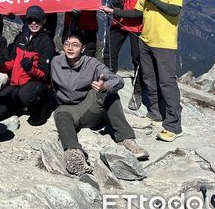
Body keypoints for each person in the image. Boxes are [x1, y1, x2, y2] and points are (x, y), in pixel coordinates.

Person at [101, 0, 183, 142]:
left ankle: (173, 125)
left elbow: (174, 11)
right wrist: (113, 11)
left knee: (167, 82)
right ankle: (155, 112)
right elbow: (136, 13)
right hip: (145, 39)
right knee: (150, 78)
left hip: (164, 43)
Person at [51, 31, 149, 176]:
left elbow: (118, 80)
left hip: (88, 106)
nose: (70, 48)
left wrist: (105, 86)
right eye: (67, 44)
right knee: (60, 115)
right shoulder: (56, 62)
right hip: (68, 108)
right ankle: (74, 152)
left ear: (82, 49)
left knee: (110, 93)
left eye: (75, 45)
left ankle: (126, 139)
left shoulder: (92, 64)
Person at [103, 0, 148, 110]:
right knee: (109, 52)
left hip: (138, 24)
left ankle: (137, 92)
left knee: (138, 59)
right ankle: (108, 84)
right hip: (120, 21)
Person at [0, 5, 56, 126]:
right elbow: (11, 61)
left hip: (36, 84)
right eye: (30, 20)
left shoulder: (46, 42)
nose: (33, 23)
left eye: (37, 20)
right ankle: (19, 107)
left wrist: (30, 69)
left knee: (25, 95)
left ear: (43, 21)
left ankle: (41, 108)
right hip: (16, 83)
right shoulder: (21, 38)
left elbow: (44, 73)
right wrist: (0, 64)